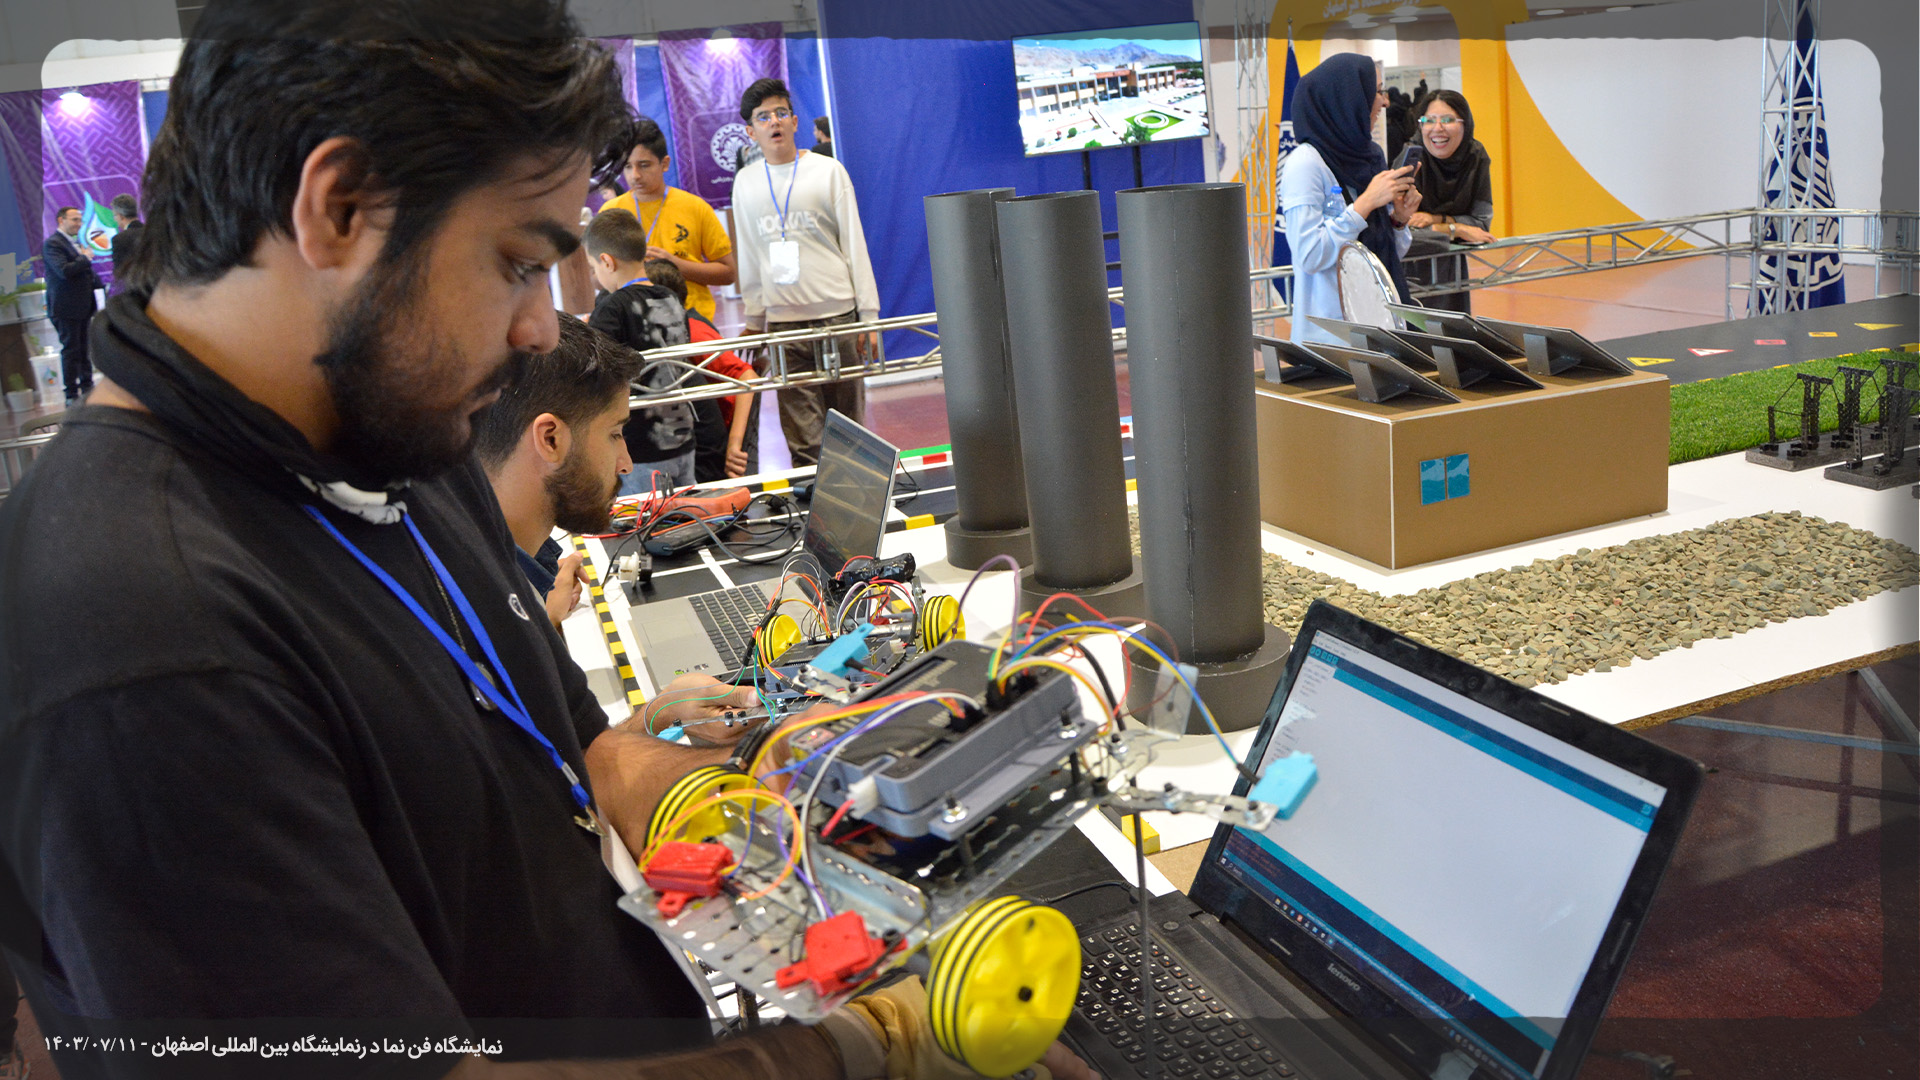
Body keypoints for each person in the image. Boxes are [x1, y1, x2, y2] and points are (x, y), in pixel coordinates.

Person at [0, 4, 1076, 1078]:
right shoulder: (141, 638)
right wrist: (871, 1045)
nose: (535, 331)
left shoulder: (393, 442)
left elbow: (575, 745)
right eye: (517, 263)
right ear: (339, 209)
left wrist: (734, 809)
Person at [731, 77, 879, 466]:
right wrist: (755, 320)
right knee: (803, 440)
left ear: (795, 121)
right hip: (784, 326)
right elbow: (748, 254)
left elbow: (854, 243)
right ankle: (814, 502)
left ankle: (855, 499)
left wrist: (868, 318)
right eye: (763, 117)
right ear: (751, 132)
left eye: (781, 113)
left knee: (850, 433)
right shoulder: (746, 182)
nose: (774, 122)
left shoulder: (828, 171)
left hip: (837, 317)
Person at [475, 314, 635, 630]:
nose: (626, 464)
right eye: (614, 434)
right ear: (551, 439)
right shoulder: (491, 627)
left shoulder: (470, 565)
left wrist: (543, 614)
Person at [1278, 52, 1420, 347]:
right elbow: (1310, 255)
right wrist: (1364, 205)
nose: (1385, 102)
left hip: (1382, 329)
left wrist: (1397, 220)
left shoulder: (1369, 156)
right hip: (1332, 342)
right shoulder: (1305, 164)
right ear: (1347, 98)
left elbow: (1380, 259)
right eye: (1376, 91)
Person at [584, 206, 701, 494]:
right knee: (687, 515)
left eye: (593, 268)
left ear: (607, 261)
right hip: (683, 437)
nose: (595, 276)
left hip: (640, 449)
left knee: (645, 519)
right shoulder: (671, 297)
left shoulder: (612, 307)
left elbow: (594, 374)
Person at [600, 116, 736, 324]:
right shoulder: (611, 212)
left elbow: (728, 273)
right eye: (627, 166)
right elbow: (596, 277)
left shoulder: (694, 207)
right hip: (633, 323)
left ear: (664, 164)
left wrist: (676, 264)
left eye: (644, 165)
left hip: (691, 321)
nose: (635, 175)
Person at [645, 257, 756, 481]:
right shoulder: (669, 331)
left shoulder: (694, 332)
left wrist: (734, 445)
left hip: (714, 445)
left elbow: (748, 377)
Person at [1395, 88, 1495, 314]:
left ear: (1465, 124)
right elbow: (1402, 231)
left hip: (1452, 269)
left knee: (1451, 328)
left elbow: (1481, 224)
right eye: (1429, 121)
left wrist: (1435, 220)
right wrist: (1455, 228)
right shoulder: (1410, 158)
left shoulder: (1475, 156)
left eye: (1448, 120)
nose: (1437, 128)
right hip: (1408, 271)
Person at [41, 204, 102, 402]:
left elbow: (83, 272)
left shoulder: (74, 243)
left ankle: (88, 387)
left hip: (83, 306)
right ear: (61, 220)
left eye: (80, 220)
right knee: (71, 350)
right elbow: (64, 271)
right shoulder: (53, 244)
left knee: (84, 348)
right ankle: (71, 393)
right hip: (66, 307)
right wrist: (84, 258)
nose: (79, 224)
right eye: (75, 220)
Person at [108, 192, 145, 296]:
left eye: (115, 216)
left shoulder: (119, 239)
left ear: (120, 216)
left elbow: (119, 273)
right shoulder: (153, 232)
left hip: (134, 292)